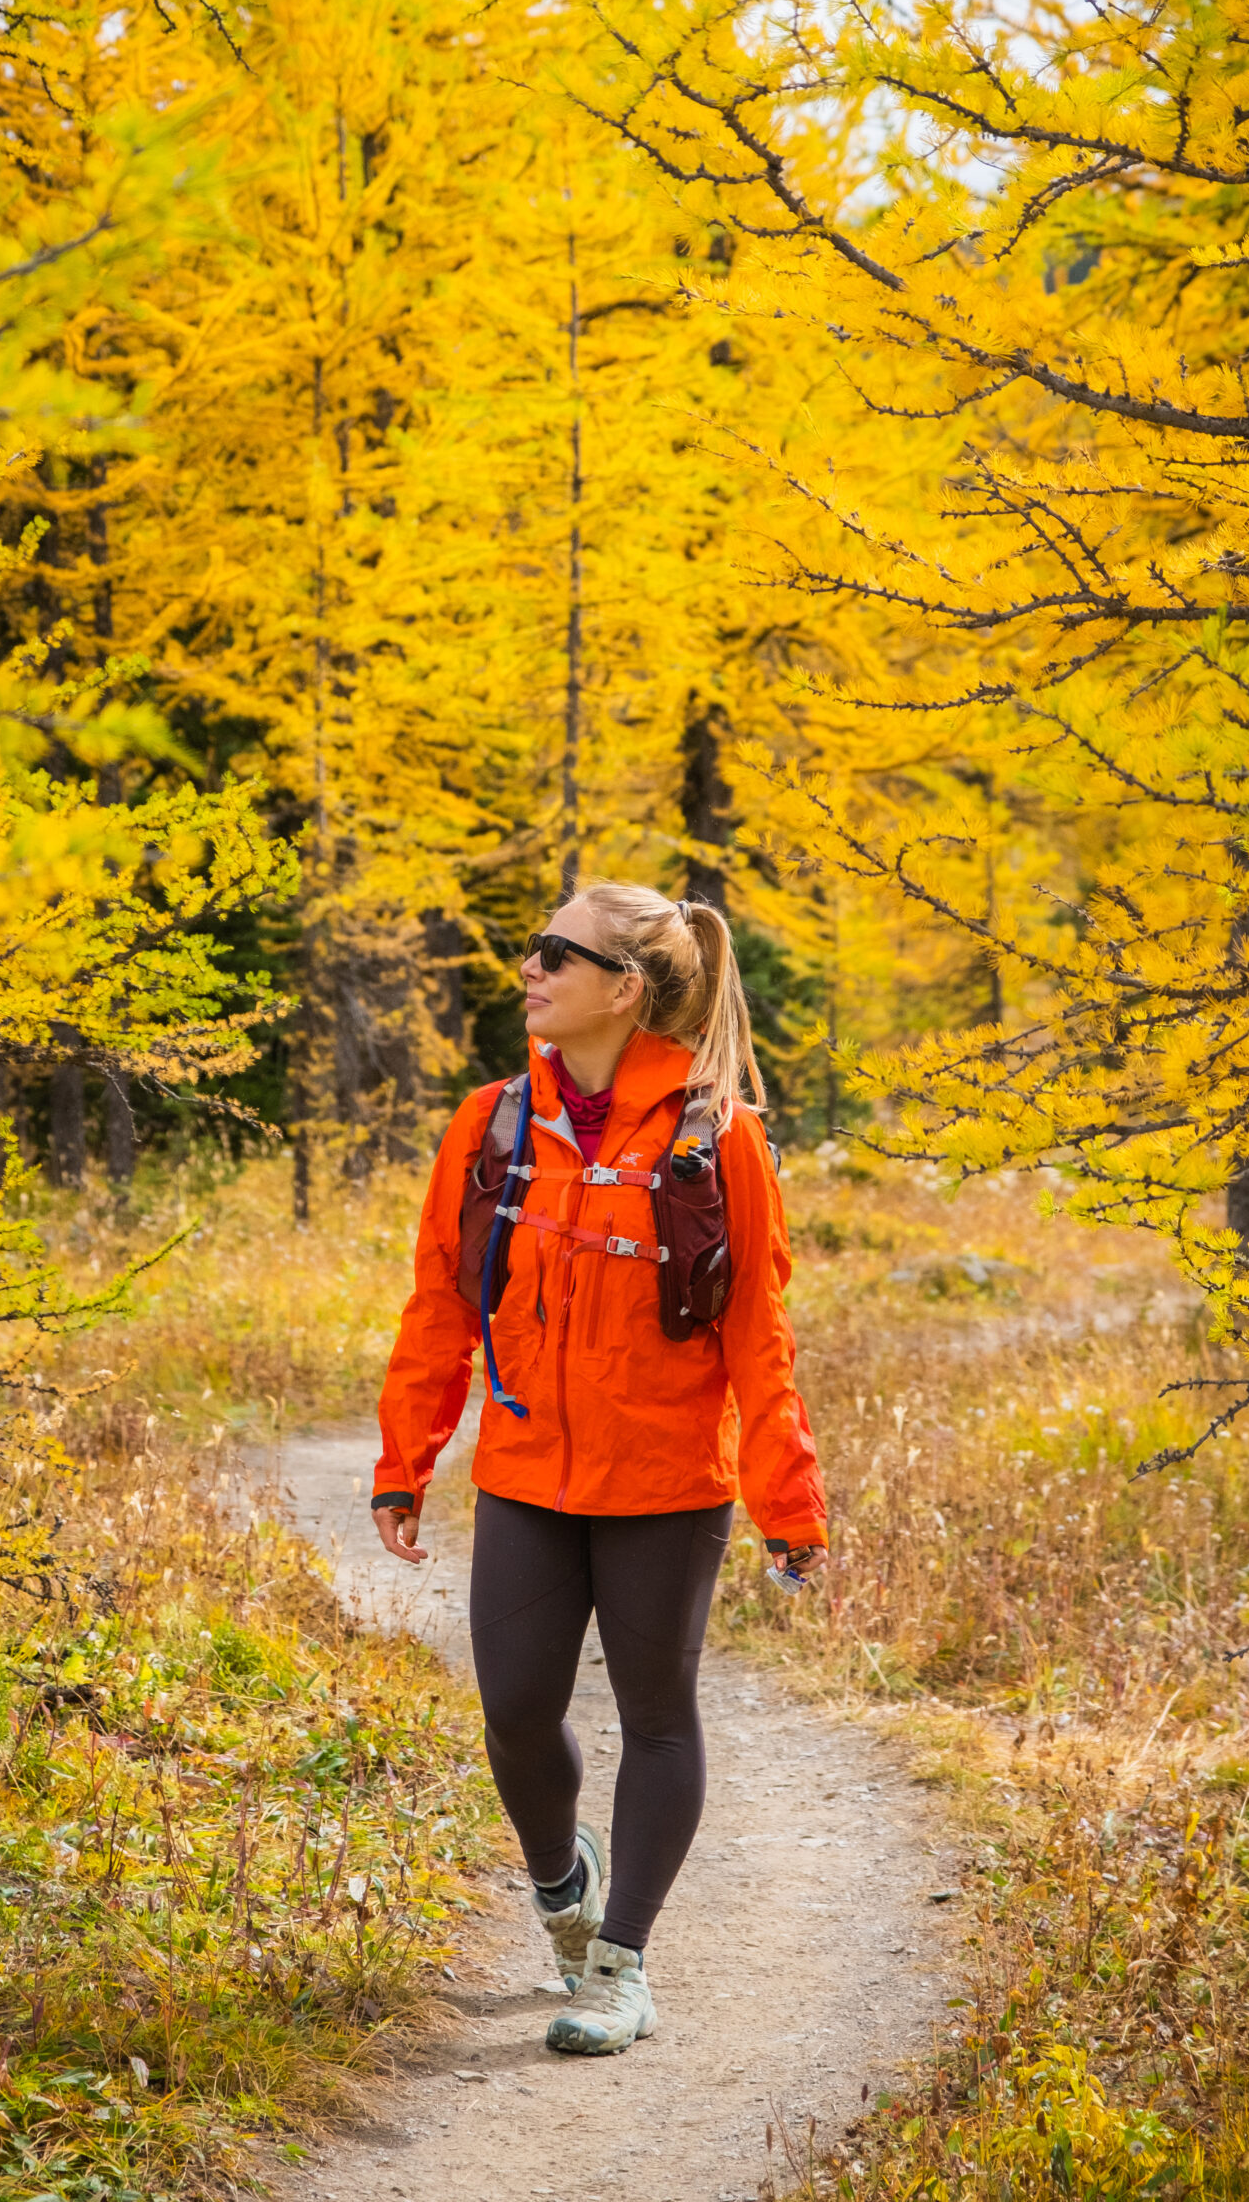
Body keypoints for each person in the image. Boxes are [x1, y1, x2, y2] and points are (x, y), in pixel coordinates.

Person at [370, 880, 828, 2057]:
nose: (528, 970)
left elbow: (756, 1332)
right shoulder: (492, 1122)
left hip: (668, 1483)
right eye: (532, 951)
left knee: (657, 1716)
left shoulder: (714, 1133)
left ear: (624, 988)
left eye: (552, 954)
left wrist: (789, 1501)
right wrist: (404, 1460)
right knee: (517, 1713)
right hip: (526, 1470)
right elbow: (440, 1303)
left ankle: (621, 1967)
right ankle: (562, 1886)